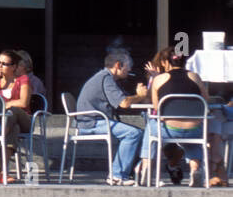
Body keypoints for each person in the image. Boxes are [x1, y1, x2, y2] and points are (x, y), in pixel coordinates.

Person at [75, 51, 147, 186]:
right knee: (133, 133)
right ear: (118, 65)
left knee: (137, 132)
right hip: (91, 122)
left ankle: (128, 172)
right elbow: (124, 103)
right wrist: (141, 96)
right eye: (128, 66)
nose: (130, 70)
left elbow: (123, 100)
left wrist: (138, 97)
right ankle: (117, 175)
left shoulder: (105, 78)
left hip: (92, 120)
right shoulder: (106, 78)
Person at [151, 49, 210, 186]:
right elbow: (205, 101)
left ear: (166, 62)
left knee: (149, 125)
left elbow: (156, 108)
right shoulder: (195, 77)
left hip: (169, 129)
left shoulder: (158, 79)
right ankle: (195, 169)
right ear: (184, 62)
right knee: (193, 140)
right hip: (194, 129)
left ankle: (146, 167)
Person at [0, 48, 33, 175]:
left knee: (12, 111)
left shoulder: (23, 79)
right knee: (13, 128)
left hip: (25, 120)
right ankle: (3, 174)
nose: (0, 66)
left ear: (14, 67)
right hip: (6, 123)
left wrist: (5, 105)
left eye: (4, 64)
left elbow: (23, 102)